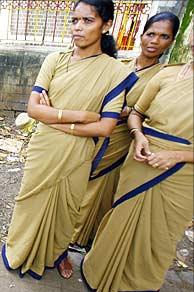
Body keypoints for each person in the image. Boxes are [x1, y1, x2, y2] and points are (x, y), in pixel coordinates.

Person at [2, 0, 138, 280]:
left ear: (106, 25)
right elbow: (33, 109)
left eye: (87, 21)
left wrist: (55, 117)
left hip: (77, 154)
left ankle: (54, 254)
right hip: (44, 148)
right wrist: (82, 116)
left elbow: (105, 127)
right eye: (74, 20)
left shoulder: (115, 73)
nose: (78, 27)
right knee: (30, 202)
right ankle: (21, 250)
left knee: (66, 210)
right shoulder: (55, 60)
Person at [81, 30, 193, 292]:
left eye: (163, 36)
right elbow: (138, 114)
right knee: (121, 215)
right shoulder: (168, 75)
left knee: (160, 233)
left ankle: (139, 285)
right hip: (141, 156)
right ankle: (100, 272)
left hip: (181, 171)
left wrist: (177, 156)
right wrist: (138, 135)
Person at [71, 12, 180, 249]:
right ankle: (70, 232)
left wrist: (124, 111)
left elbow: (151, 112)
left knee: (103, 186)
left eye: (163, 36)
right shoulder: (120, 66)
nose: (154, 41)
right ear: (142, 35)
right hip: (96, 131)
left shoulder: (166, 76)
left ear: (171, 42)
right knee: (80, 182)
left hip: (124, 138)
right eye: (151, 34)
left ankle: (82, 237)